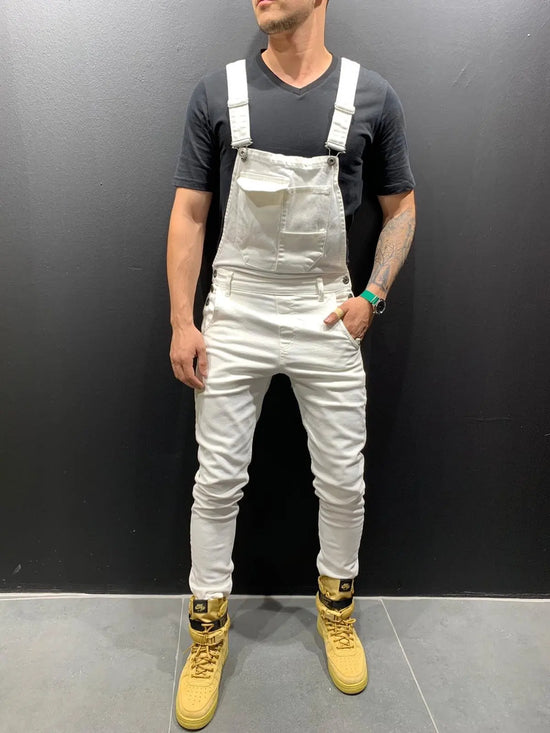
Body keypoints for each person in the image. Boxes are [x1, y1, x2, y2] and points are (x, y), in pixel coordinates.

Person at [166, 0, 416, 728]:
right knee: (217, 481)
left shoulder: (372, 97)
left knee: (343, 479)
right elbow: (190, 213)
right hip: (236, 309)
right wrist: (183, 321)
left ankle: (336, 608)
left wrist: (373, 294)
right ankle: (206, 631)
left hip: (326, 310)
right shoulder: (217, 94)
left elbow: (401, 207)